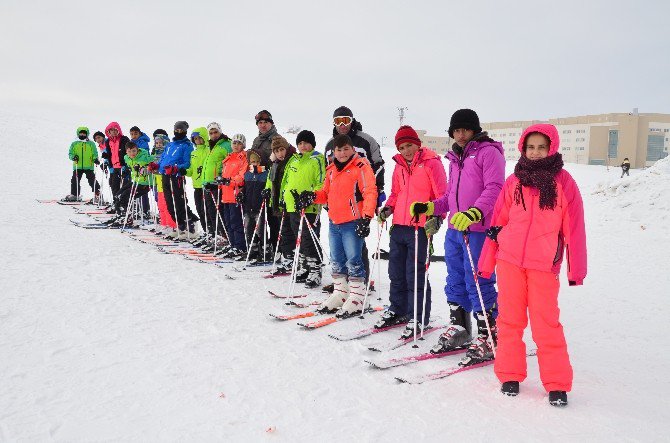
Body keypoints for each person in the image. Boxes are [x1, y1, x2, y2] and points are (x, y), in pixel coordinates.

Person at [477, 123, 587, 407]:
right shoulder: (514, 181)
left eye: (541, 147)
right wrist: (486, 263)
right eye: (530, 147)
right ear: (523, 149)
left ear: (551, 147)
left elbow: (574, 229)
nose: (536, 153)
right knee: (509, 321)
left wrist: (576, 270)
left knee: (546, 324)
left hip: (543, 266)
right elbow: (498, 223)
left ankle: (557, 383)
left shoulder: (564, 182)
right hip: (509, 261)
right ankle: (510, 374)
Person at [410, 109, 505, 361]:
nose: (461, 135)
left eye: (465, 129)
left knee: (478, 280)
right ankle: (461, 327)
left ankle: (490, 334)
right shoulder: (455, 158)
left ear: (475, 130)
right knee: (455, 278)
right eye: (456, 130)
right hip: (455, 229)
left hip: (478, 230)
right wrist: (431, 207)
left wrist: (475, 213)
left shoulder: (489, 152)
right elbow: (451, 195)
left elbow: (495, 188)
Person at [375, 126, 447, 338]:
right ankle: (398, 309)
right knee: (396, 273)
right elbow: (396, 194)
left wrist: (437, 217)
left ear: (417, 144)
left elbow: (442, 195)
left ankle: (418, 316)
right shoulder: (398, 165)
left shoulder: (431, 163)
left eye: (409, 145)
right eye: (402, 147)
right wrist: (388, 208)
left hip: (420, 228)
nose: (406, 150)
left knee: (414, 274)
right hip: (399, 226)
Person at [299, 134, 377, 317]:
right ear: (333, 152)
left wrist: (366, 217)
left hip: (352, 221)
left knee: (354, 259)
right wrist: (311, 195)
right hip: (334, 221)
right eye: (338, 150)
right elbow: (325, 194)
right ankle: (341, 293)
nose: (342, 153)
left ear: (352, 149)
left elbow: (370, 192)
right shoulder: (332, 169)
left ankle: (357, 296)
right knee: (337, 260)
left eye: (345, 149)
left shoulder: (361, 166)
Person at [324, 106, 385, 288]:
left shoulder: (366, 140)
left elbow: (379, 165)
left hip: (361, 197)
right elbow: (328, 172)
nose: (342, 125)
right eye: (338, 121)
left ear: (352, 120)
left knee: (356, 242)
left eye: (346, 120)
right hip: (338, 202)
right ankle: (342, 284)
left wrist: (376, 191)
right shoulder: (329, 144)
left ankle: (360, 282)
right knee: (340, 246)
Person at [282, 130, 326, 288]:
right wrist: (283, 196)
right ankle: (304, 265)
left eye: (306, 143)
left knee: (309, 238)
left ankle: (315, 268)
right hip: (292, 205)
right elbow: (286, 181)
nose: (303, 146)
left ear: (312, 144)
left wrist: (312, 196)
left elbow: (322, 182)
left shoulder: (317, 159)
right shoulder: (293, 160)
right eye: (300, 143)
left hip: (309, 206)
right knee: (298, 236)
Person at [157, 121, 198, 239]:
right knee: (169, 202)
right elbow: (164, 159)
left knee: (179, 202)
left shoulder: (187, 145)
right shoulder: (170, 145)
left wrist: (176, 168)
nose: (178, 132)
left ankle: (191, 224)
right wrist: (157, 166)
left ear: (185, 131)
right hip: (165, 175)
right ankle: (179, 225)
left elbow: (187, 163)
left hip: (176, 176)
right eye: (176, 130)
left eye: (181, 130)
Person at [263, 135, 297, 275]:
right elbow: (271, 180)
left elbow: (291, 182)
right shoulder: (275, 164)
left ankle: (294, 258)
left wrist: (285, 196)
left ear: (287, 148)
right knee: (283, 232)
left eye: (282, 149)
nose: (280, 153)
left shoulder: (293, 161)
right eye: (276, 151)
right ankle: (287, 257)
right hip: (277, 203)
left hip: (289, 203)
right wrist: (267, 190)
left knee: (290, 232)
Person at [251, 110, 281, 248]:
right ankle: (264, 245)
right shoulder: (257, 140)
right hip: (257, 183)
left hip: (273, 183)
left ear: (271, 123)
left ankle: (277, 247)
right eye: (260, 123)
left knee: (274, 218)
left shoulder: (276, 139)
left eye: (265, 122)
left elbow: (279, 161)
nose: (262, 125)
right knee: (260, 217)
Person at [107, 141, 154, 226]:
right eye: (129, 151)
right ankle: (120, 215)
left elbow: (153, 162)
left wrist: (145, 168)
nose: (132, 153)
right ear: (126, 152)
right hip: (135, 181)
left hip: (144, 184)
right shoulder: (127, 158)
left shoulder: (144, 157)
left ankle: (127, 217)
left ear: (137, 150)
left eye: (133, 151)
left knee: (125, 196)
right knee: (117, 195)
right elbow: (130, 167)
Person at [201, 122, 232, 247]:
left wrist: (220, 176)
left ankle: (225, 236)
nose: (213, 135)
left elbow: (229, 163)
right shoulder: (209, 146)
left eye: (215, 132)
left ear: (220, 131)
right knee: (211, 211)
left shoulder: (226, 144)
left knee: (219, 211)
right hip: (207, 183)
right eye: (211, 133)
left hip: (218, 184)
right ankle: (217, 234)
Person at [218, 134, 248, 258]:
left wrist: (228, 181)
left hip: (235, 195)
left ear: (243, 145)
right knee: (228, 222)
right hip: (226, 195)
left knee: (236, 222)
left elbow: (241, 177)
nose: (236, 145)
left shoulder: (243, 158)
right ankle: (233, 244)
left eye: (239, 143)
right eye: (234, 143)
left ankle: (240, 246)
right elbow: (224, 174)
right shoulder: (228, 158)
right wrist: (219, 182)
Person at [237, 151, 270, 263]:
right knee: (248, 228)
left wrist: (267, 194)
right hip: (248, 206)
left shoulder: (265, 174)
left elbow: (268, 188)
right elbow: (245, 188)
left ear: (260, 162)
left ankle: (265, 250)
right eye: (252, 162)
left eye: (256, 161)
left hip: (259, 206)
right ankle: (253, 249)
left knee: (260, 230)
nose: (255, 164)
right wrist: (241, 194)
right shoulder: (247, 174)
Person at [63, 126, 100, 201]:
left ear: (87, 134)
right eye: (81, 133)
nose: (82, 135)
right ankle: (74, 195)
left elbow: (94, 153)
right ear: (78, 134)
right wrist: (73, 157)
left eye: (84, 133)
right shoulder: (74, 143)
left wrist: (95, 159)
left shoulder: (91, 144)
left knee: (92, 180)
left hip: (88, 166)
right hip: (78, 165)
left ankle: (98, 194)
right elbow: (70, 153)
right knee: (75, 180)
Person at [148, 134, 175, 233]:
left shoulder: (167, 155)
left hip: (165, 182)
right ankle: (164, 223)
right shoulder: (154, 155)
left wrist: (158, 169)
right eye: (157, 143)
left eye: (161, 143)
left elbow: (166, 166)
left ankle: (171, 224)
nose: (158, 145)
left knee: (167, 205)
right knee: (161, 205)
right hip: (158, 183)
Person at [186, 127, 210, 236]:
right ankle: (206, 232)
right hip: (197, 186)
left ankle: (212, 233)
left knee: (207, 211)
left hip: (206, 185)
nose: (198, 141)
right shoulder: (193, 153)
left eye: (200, 138)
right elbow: (191, 170)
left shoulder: (209, 150)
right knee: (200, 210)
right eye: (195, 139)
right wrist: (183, 171)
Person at [101, 122, 131, 202]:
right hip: (114, 168)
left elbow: (129, 152)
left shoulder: (124, 139)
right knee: (114, 186)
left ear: (119, 130)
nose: (113, 132)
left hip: (124, 167)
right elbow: (109, 154)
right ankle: (116, 204)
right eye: (111, 130)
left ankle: (124, 205)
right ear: (108, 132)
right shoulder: (108, 142)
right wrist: (107, 159)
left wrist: (126, 165)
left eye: (115, 130)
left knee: (125, 187)